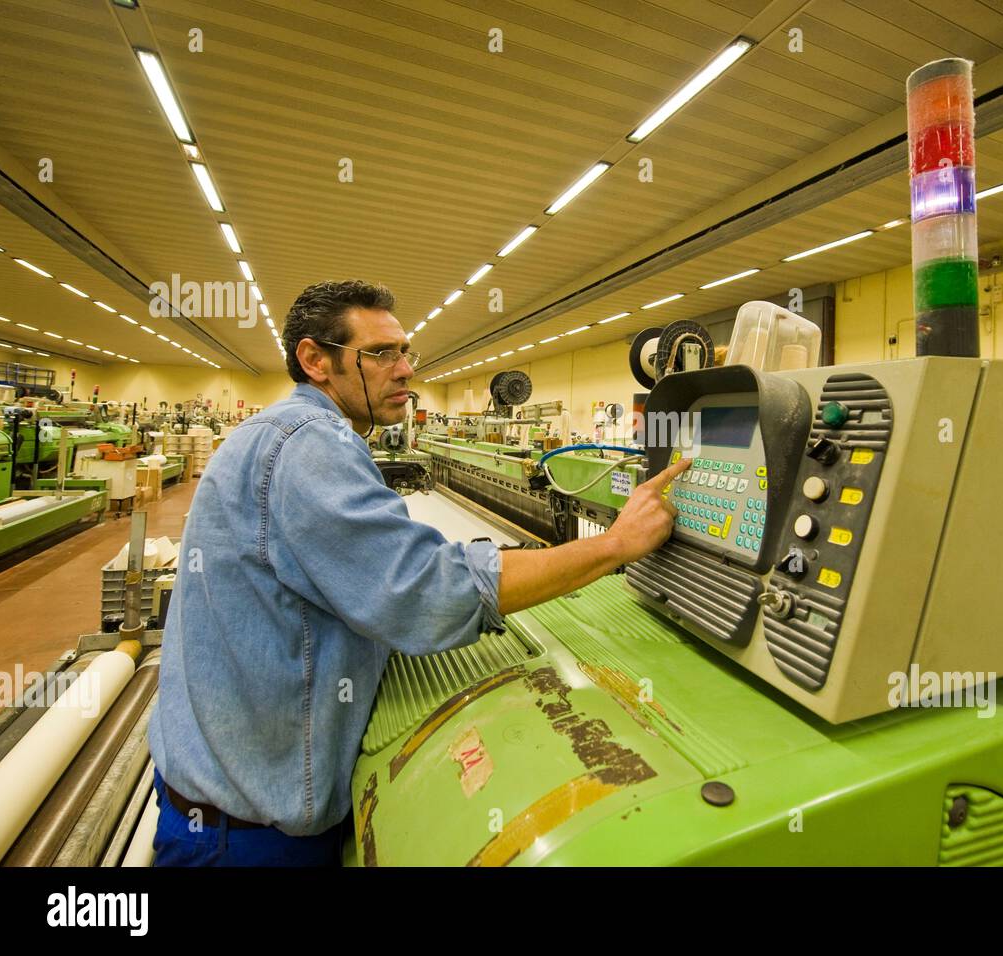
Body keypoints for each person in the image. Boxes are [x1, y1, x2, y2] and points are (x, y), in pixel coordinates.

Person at [148, 280, 690, 865]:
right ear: (315, 360)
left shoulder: (286, 432)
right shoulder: (308, 444)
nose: (404, 369)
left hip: (224, 799)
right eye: (380, 354)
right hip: (247, 838)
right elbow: (424, 592)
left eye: (406, 352)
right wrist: (615, 545)